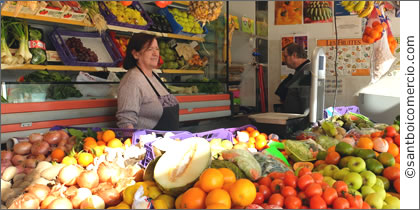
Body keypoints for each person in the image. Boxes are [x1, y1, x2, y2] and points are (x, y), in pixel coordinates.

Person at [116, 33, 179, 130]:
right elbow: (126, 121)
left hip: (169, 141)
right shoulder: (132, 80)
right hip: (148, 143)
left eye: (157, 49)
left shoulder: (155, 76)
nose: (155, 53)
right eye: (150, 49)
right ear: (136, 54)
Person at [275, 43, 312, 114]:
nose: (284, 60)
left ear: (294, 55)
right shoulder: (300, 70)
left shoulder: (307, 72)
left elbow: (306, 100)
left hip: (300, 120)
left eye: (285, 57)